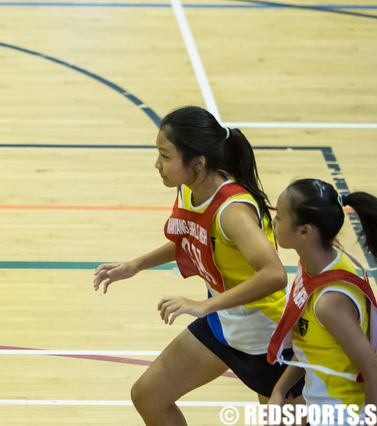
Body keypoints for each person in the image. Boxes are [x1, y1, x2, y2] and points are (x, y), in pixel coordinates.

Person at [92, 105, 302, 425]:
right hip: (223, 323)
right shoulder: (191, 190)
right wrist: (136, 265)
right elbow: (191, 235)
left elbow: (274, 275)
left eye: (165, 155)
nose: (157, 164)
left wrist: (203, 305)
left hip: (265, 336)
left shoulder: (233, 210)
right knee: (148, 396)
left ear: (197, 163)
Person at [267, 178, 377, 425]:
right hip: (326, 402)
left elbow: (374, 375)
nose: (273, 221)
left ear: (305, 231)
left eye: (280, 217)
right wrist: (279, 391)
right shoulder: (316, 262)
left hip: (350, 414)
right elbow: (315, 350)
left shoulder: (330, 302)